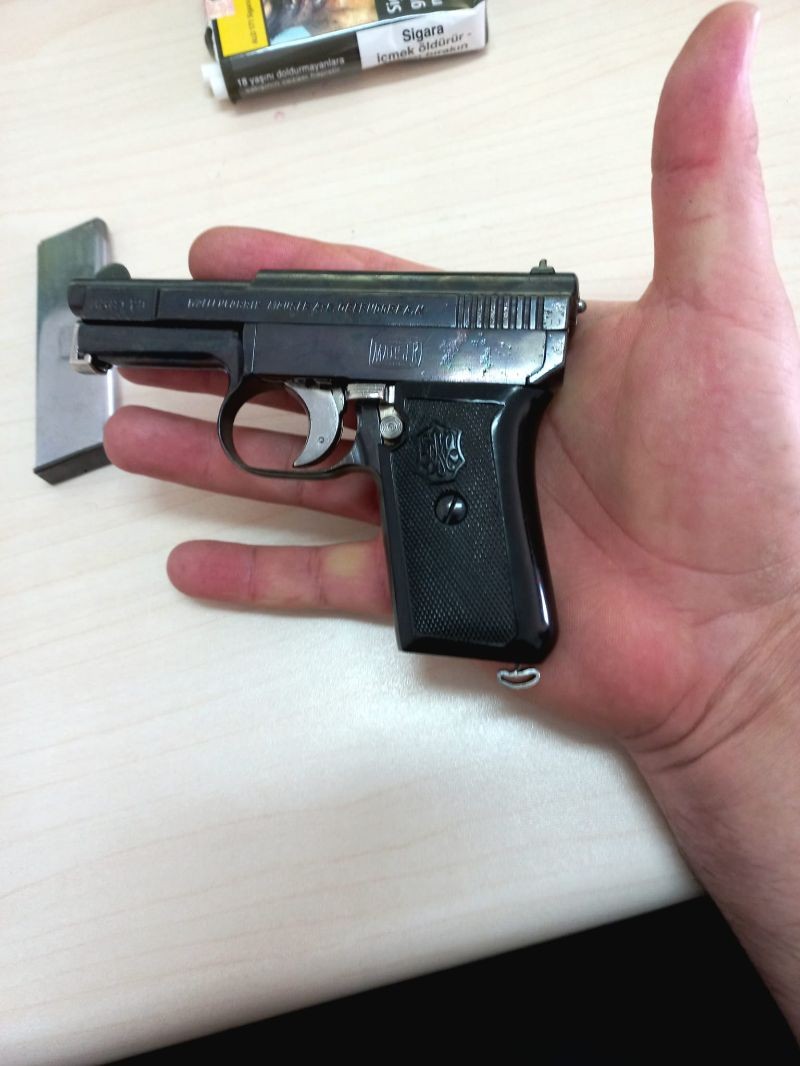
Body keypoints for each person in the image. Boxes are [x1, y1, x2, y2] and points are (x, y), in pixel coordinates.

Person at [104, 3, 800, 1038]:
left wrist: (758, 675)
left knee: (440, 474)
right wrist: (747, 690)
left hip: (469, 358)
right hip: (474, 343)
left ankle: (489, 623)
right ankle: (491, 622)